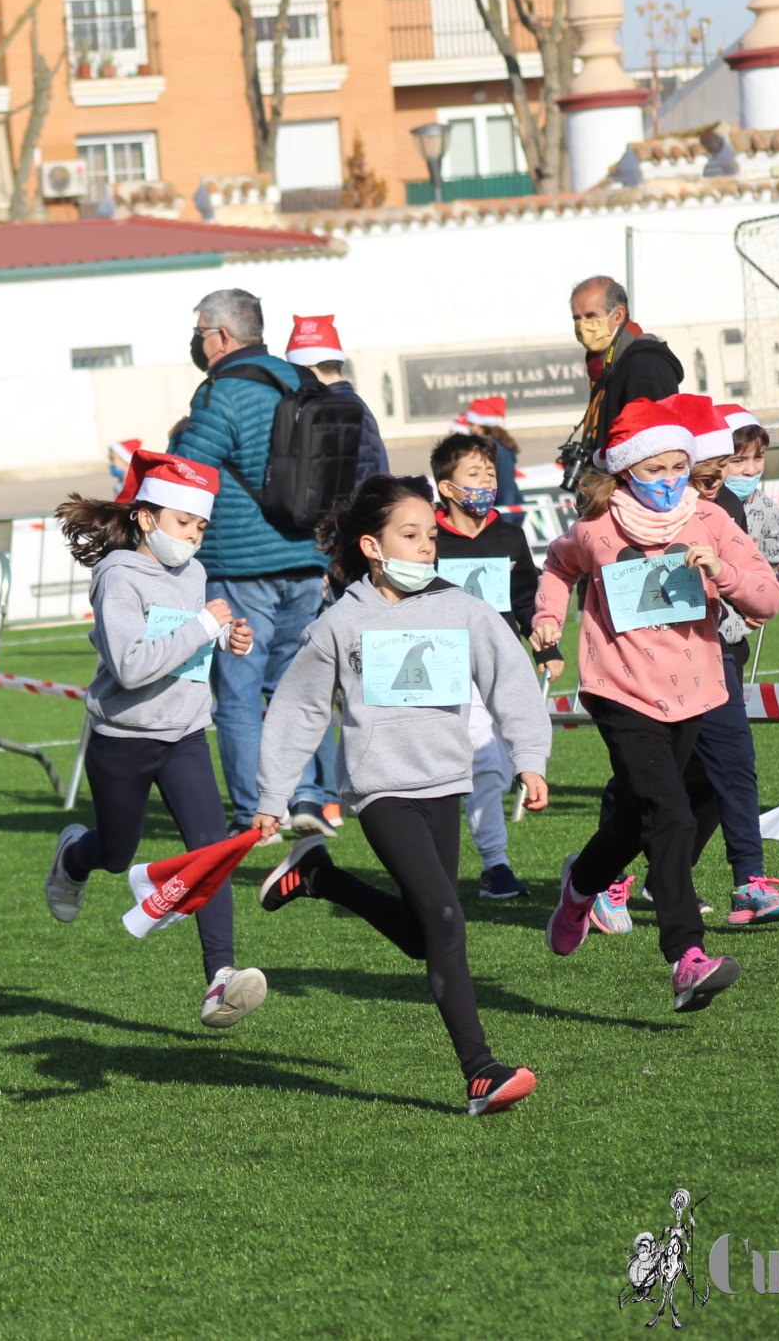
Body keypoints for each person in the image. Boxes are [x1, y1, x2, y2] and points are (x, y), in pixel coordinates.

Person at [254, 474, 552, 1115]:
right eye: (409, 536)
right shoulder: (340, 623)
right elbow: (298, 711)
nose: (426, 548)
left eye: (430, 537)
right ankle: (480, 1073)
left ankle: (320, 879)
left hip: (446, 781)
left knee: (425, 935)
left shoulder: (463, 609)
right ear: (371, 545)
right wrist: (274, 796)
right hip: (380, 789)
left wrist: (530, 760)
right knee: (447, 922)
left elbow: (512, 682)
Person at [531, 396, 779, 1013]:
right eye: (654, 470)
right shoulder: (598, 530)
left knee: (635, 820)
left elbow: (767, 600)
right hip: (620, 690)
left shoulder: (714, 521)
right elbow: (559, 565)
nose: (670, 482)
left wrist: (721, 571)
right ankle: (686, 958)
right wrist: (546, 619)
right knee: (668, 815)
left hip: (694, 689)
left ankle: (582, 884)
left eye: (678, 468)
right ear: (624, 473)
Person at [42, 451, 267, 1029]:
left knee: (209, 852)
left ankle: (220, 980)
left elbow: (186, 644)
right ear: (146, 518)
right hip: (123, 738)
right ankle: (75, 855)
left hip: (187, 734)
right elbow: (133, 668)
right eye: (182, 524)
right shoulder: (118, 577)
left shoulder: (193, 574)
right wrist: (202, 629)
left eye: (199, 527)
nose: (192, 537)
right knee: (117, 853)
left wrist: (224, 640)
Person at [170, 292, 386, 836]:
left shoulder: (224, 391)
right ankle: (310, 798)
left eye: (200, 332)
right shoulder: (300, 380)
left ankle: (252, 814)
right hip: (306, 559)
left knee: (240, 695)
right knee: (300, 689)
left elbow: (190, 473)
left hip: (240, 564)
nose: (198, 342)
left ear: (219, 336)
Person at [428, 431, 561, 900]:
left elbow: (526, 596)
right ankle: (495, 866)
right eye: (474, 474)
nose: (486, 482)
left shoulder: (509, 534)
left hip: (502, 666)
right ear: (446, 487)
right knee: (485, 762)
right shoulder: (427, 537)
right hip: (447, 670)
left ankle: (477, 860)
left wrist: (544, 646)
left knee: (501, 765)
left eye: (490, 473)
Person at [692, 406, 779, 926]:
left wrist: (778, 584)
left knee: (727, 768)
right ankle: (599, 876)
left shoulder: (740, 511)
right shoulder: (669, 512)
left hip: (724, 650)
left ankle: (747, 883)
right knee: (655, 779)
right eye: (733, 460)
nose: (743, 471)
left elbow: (770, 577)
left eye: (752, 461)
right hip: (661, 661)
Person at [279, 313, 389, 835]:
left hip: (337, 567)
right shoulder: (356, 408)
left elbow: (350, 498)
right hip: (350, 564)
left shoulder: (333, 412)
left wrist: (333, 561)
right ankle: (330, 793)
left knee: (327, 686)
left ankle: (331, 792)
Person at [571, 276, 684, 458]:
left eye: (591, 316)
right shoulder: (604, 365)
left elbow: (656, 446)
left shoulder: (646, 366)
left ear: (618, 316)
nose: (582, 325)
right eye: (577, 318)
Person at [453, 397, 525, 524]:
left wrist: (505, 527)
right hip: (491, 514)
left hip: (506, 516)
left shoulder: (499, 451)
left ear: (481, 427)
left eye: (471, 424)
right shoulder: (483, 448)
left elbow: (506, 490)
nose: (469, 429)